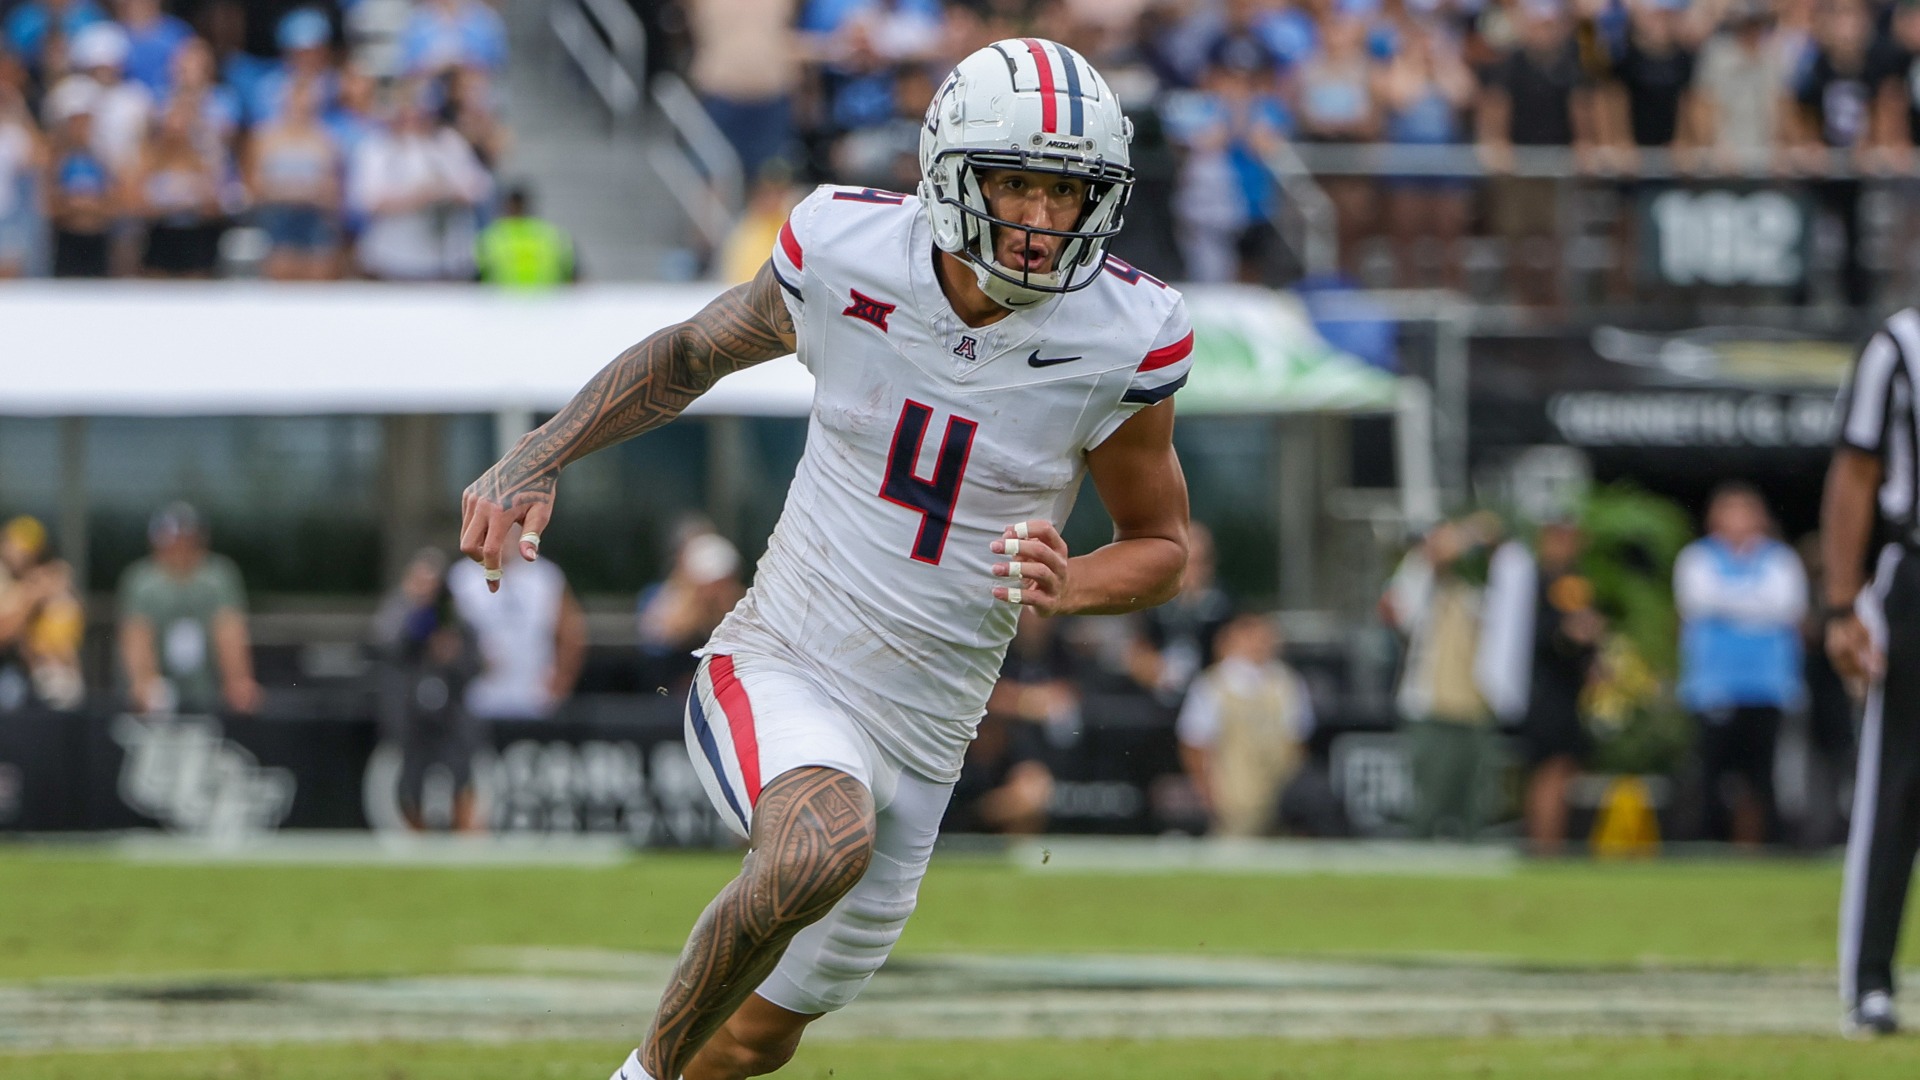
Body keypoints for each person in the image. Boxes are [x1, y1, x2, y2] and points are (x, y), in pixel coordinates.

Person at [459, 39, 1192, 1080]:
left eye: (1066, 194)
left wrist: (1074, 583)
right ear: (950, 173)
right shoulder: (848, 255)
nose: (1039, 220)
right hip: (785, 658)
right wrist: (541, 455)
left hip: (931, 732)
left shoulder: (1126, 336)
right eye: (1016, 185)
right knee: (818, 843)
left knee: (754, 1040)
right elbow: (689, 352)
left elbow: (1163, 548)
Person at [1824, 307, 1920, 1036]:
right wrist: (1840, 601)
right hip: (1914, 572)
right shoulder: (1900, 344)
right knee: (1897, 781)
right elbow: (1856, 471)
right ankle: (1869, 980)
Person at [1675, 483, 1806, 847]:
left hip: (1767, 684)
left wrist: (1729, 604)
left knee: (1762, 775)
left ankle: (1765, 847)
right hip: (1712, 685)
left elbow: (1784, 606)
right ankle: (1707, 843)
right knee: (1711, 773)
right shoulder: (1697, 558)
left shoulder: (1780, 559)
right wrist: (1754, 604)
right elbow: (1699, 602)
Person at [1481, 518, 1603, 855]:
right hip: (1542, 690)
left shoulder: (1576, 581)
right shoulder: (1531, 581)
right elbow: (1526, 636)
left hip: (1569, 692)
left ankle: (1553, 842)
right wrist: (1566, 634)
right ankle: (1542, 845)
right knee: (1547, 769)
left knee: (1564, 770)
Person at [1382, 519, 1500, 840]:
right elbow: (1403, 611)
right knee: (1428, 802)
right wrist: (1450, 544)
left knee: (1474, 804)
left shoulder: (1476, 587)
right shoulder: (1417, 579)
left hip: (1476, 706)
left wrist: (1484, 544)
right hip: (1431, 708)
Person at [372, 547, 486, 831]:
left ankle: (465, 827)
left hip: (451, 713)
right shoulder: (400, 613)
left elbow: (474, 665)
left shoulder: (457, 622)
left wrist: (452, 654)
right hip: (412, 713)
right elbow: (385, 648)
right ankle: (414, 828)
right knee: (412, 774)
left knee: (461, 770)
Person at [1177, 611, 1315, 837]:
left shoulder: (1287, 683)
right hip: (1232, 797)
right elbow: (1194, 744)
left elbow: (1298, 741)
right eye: (1251, 635)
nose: (1260, 643)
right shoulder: (1213, 684)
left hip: (1280, 796)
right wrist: (1207, 793)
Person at [116, 502, 261, 716]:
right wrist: (143, 682)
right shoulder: (141, 581)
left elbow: (229, 630)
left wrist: (237, 681)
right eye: (173, 539)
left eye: (187, 539)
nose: (180, 547)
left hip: (209, 692)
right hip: (159, 698)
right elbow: (137, 635)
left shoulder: (219, 577)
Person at [446, 545, 586, 720]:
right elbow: (445, 639)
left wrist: (560, 685)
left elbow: (571, 634)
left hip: (535, 699)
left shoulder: (547, 576)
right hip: (476, 700)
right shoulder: (461, 577)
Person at [246, 75, 341, 280]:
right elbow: (255, 186)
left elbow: (332, 190)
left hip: (313, 217)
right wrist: (292, 191)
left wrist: (304, 192)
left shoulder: (324, 138)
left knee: (317, 279)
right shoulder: (266, 137)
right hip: (278, 216)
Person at [637, 526, 745, 696]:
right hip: (672, 699)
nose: (715, 591)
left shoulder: (740, 607)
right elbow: (660, 638)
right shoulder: (666, 601)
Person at [0, 515, 84, 711]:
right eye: (14, 546)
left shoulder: (45, 577)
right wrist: (33, 597)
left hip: (37, 675)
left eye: (26, 550)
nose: (19, 554)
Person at [475, 184, 577, 288]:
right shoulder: (553, 236)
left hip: (502, 302)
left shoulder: (491, 237)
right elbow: (576, 277)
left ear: (506, 206)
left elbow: (472, 281)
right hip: (546, 302)